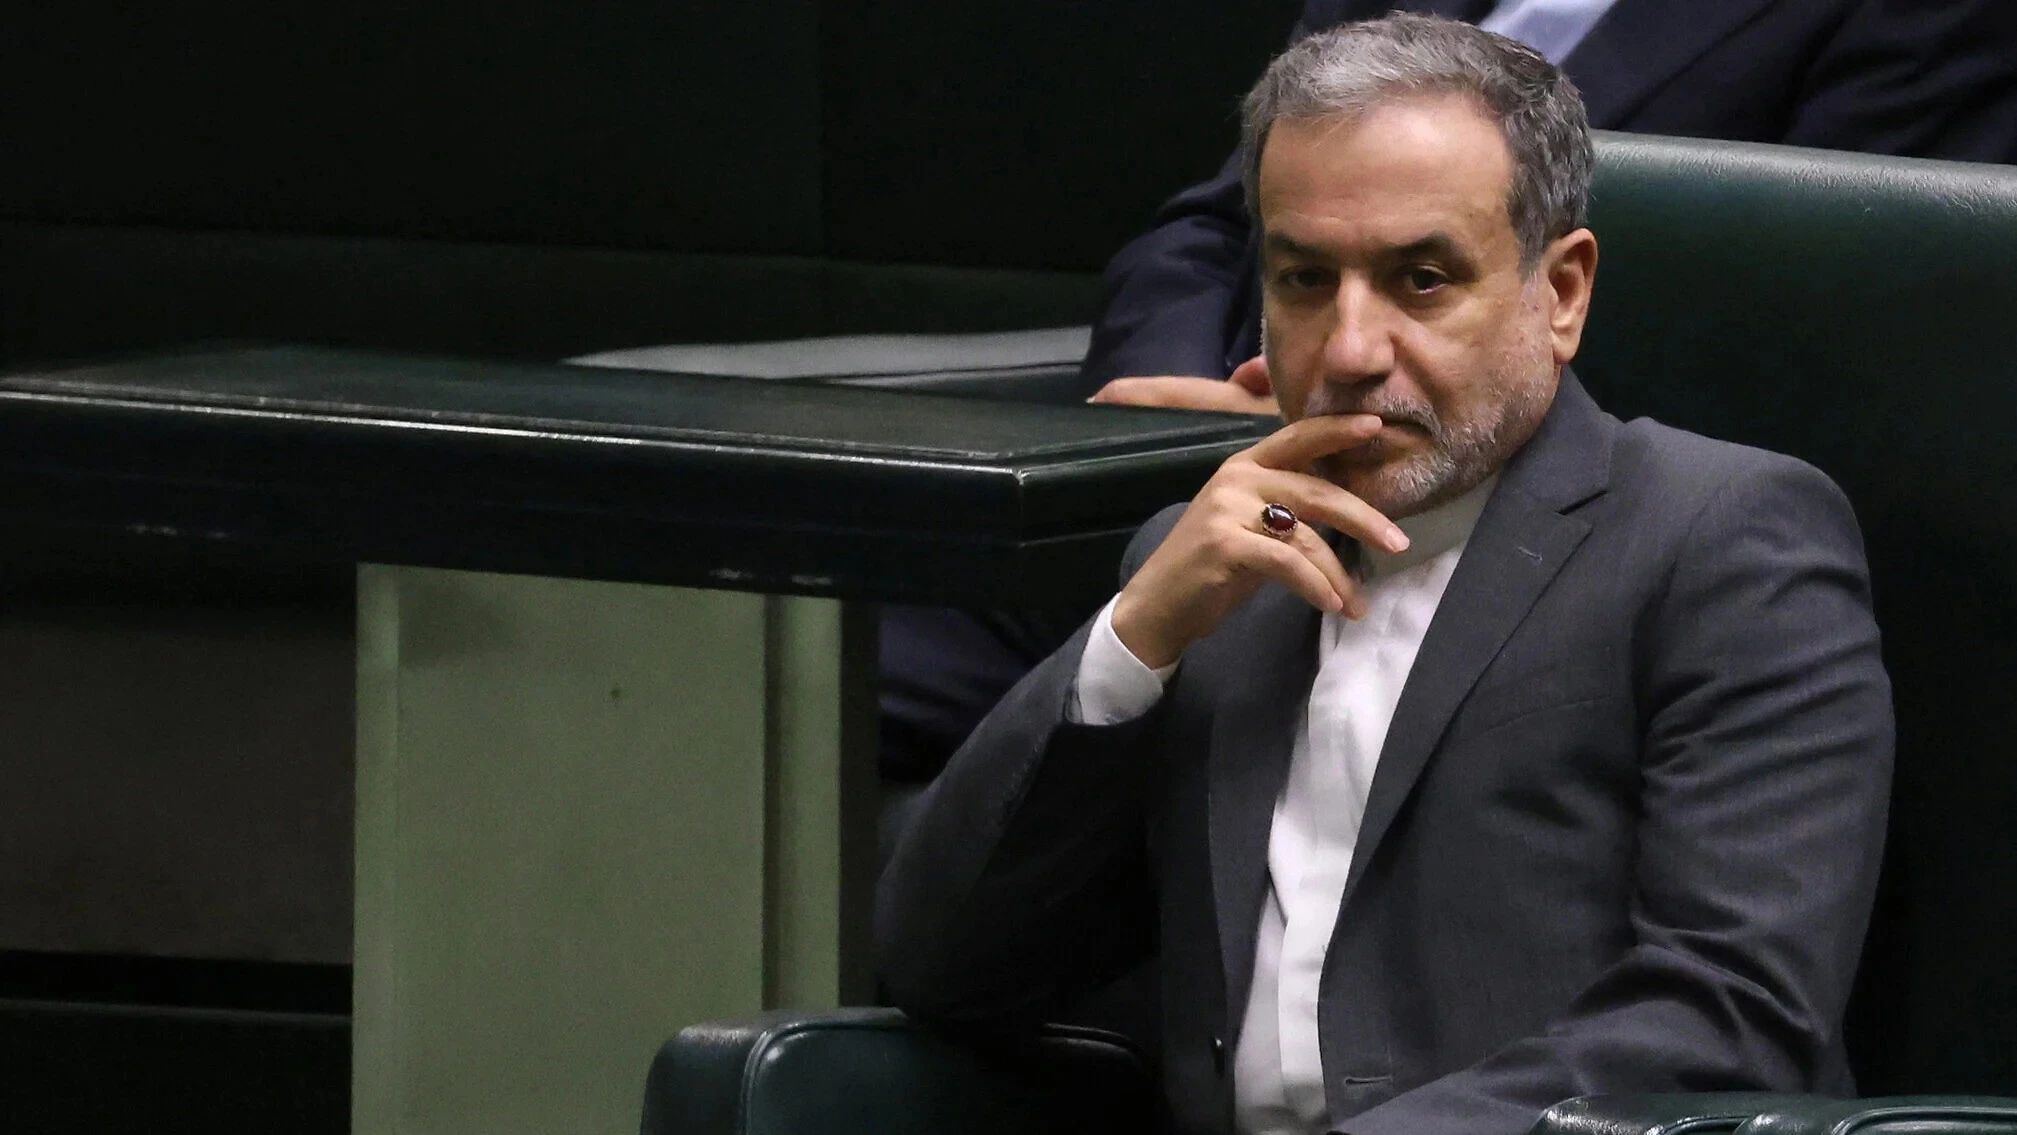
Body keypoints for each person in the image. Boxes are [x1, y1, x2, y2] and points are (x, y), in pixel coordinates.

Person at [878, 16, 1894, 1135]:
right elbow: (944, 969)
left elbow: (1731, 1017)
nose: (1351, 349)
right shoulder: (1215, 572)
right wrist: (1134, 635)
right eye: (1305, 280)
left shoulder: (1719, 539)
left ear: (1560, 292)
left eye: (1419, 280)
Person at [1085, 0, 2017, 410]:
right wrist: (1175, 410)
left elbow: (1811, 330)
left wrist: (1330, 417)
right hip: (1204, 463)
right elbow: (1213, 228)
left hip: (1509, 526)